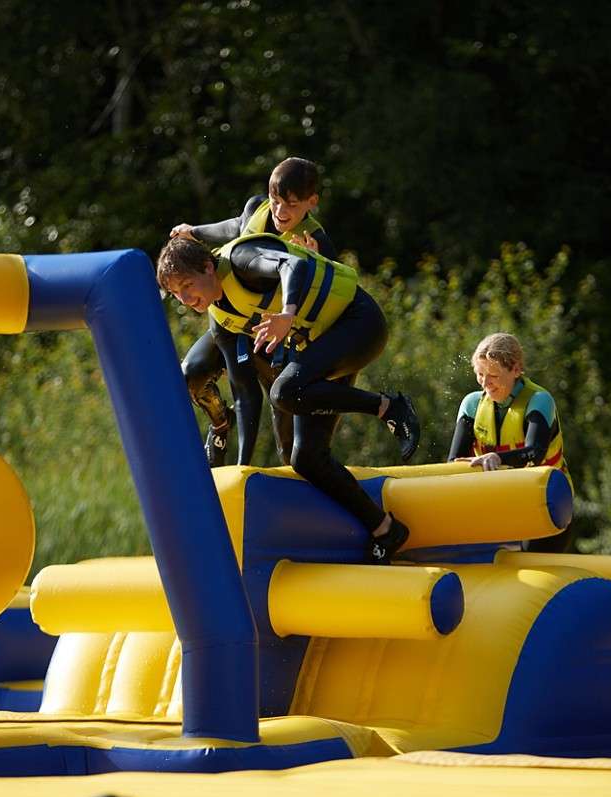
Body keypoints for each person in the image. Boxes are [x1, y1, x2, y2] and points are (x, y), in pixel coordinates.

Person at [155, 234, 420, 564]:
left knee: (284, 391)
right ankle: (385, 530)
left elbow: (291, 263)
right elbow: (244, 391)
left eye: (187, 285)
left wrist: (287, 314)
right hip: (322, 348)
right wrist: (242, 468)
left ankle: (388, 407)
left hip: (359, 324)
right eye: (176, 293)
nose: (184, 298)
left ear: (208, 267)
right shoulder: (221, 318)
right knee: (306, 457)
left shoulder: (240, 261)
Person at [169, 157, 334, 467]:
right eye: (276, 202)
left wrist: (317, 264)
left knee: (289, 444)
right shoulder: (257, 208)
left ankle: (300, 498)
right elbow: (234, 227)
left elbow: (331, 299)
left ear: (311, 204)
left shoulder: (317, 241)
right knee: (191, 374)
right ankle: (220, 425)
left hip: (277, 337)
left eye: (291, 205)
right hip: (234, 323)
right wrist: (194, 231)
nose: (281, 212)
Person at [448, 332, 571, 552]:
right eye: (480, 374)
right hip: (497, 505)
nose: (485, 383)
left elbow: (535, 453)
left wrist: (497, 457)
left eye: (493, 375)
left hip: (545, 504)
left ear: (515, 370)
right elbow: (453, 463)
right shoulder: (472, 405)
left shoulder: (540, 400)